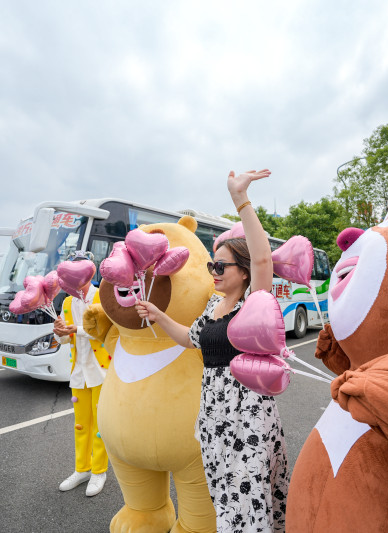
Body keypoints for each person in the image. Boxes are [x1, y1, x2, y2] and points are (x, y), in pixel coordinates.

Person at [136, 169, 288, 532]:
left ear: (245, 272)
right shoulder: (212, 306)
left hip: (248, 415)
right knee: (225, 498)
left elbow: (264, 259)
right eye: (211, 265)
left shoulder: (255, 301)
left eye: (220, 266)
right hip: (213, 417)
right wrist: (158, 315)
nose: (213, 272)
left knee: (249, 502)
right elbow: (191, 339)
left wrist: (241, 201)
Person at [53, 252, 111, 497]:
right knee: (80, 425)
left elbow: (107, 331)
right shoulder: (66, 302)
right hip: (78, 371)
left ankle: (99, 471)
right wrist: (58, 332)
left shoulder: (103, 296)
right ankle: (82, 469)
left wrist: (76, 329)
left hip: (102, 370)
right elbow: (65, 339)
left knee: (100, 426)